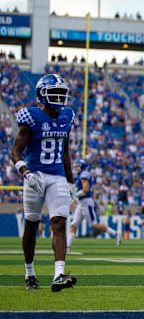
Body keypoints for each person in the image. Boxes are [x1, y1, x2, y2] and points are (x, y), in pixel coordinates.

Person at [10, 74, 77, 291]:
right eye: (54, 93)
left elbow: (65, 152)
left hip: (57, 175)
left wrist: (71, 183)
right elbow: (16, 151)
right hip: (35, 175)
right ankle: (30, 273)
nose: (59, 97)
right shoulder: (31, 117)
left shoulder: (67, 116)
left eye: (61, 93)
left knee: (59, 223)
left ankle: (59, 274)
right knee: (31, 225)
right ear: (42, 95)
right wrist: (26, 173)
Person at [67, 159, 121, 251]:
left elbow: (86, 190)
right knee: (74, 224)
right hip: (82, 203)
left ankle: (115, 233)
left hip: (86, 202)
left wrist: (75, 196)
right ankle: (67, 247)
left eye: (77, 166)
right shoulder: (82, 175)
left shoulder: (84, 175)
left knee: (93, 225)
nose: (75, 168)